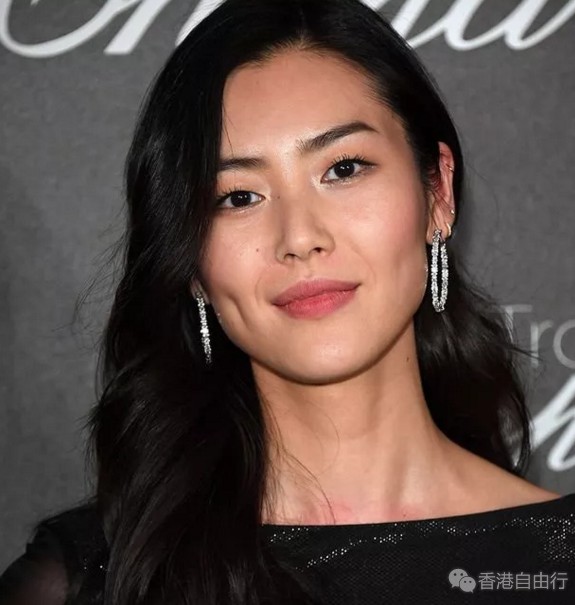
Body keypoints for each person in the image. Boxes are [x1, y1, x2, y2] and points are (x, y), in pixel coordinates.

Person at [1, 0, 574, 603]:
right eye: (239, 197)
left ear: (438, 193)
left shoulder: (557, 561)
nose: (300, 238)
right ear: (189, 261)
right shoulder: (89, 580)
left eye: (343, 168)